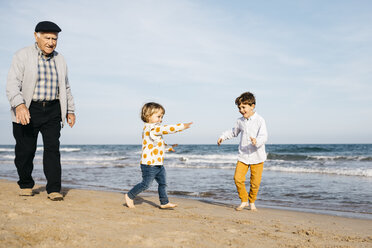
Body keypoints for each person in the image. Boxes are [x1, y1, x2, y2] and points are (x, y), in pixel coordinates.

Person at [6, 21, 76, 201]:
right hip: (28, 108)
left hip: (53, 109)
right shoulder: (22, 55)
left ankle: (53, 189)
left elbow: (65, 87)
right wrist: (19, 105)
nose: (51, 42)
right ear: (36, 36)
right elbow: (12, 84)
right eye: (47, 38)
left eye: (55, 38)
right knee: (25, 150)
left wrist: (70, 110)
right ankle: (26, 184)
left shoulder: (60, 59)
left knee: (53, 150)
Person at [125, 102, 192, 209]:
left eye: (162, 117)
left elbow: (158, 144)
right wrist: (182, 126)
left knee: (163, 183)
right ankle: (129, 196)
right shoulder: (152, 128)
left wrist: (169, 148)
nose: (161, 119)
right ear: (148, 116)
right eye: (158, 116)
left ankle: (164, 202)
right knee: (146, 184)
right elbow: (166, 129)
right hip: (149, 164)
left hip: (158, 164)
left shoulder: (153, 130)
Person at [217, 92, 268, 211]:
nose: (241, 110)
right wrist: (222, 137)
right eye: (239, 108)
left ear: (252, 106)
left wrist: (257, 141)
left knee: (255, 183)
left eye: (243, 107)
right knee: (237, 178)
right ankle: (244, 200)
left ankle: (252, 202)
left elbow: (264, 135)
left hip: (258, 156)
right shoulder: (240, 121)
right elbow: (233, 132)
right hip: (243, 156)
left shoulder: (260, 120)